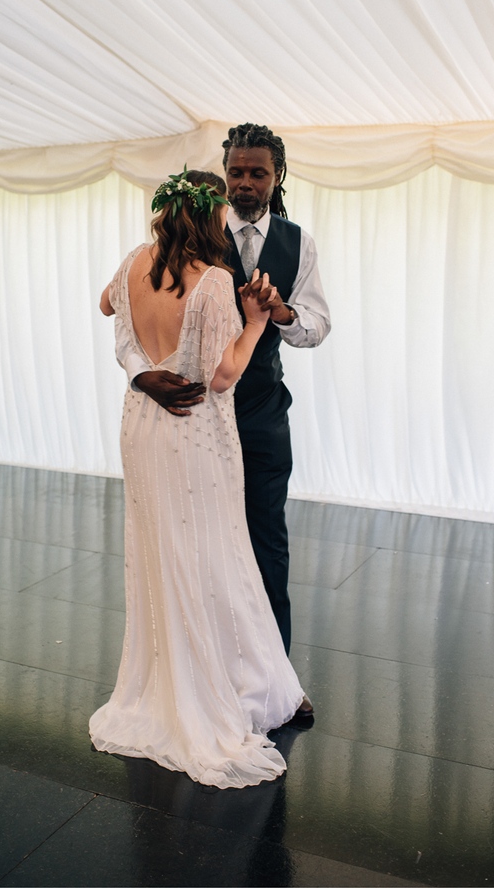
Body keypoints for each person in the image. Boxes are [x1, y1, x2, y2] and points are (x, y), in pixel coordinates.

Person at [90, 167, 311, 790]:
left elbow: (107, 304)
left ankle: (164, 682)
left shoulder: (134, 260)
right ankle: (225, 682)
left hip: (142, 428)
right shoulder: (215, 282)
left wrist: (141, 365)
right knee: (214, 554)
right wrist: (256, 320)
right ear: (211, 214)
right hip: (196, 435)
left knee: (159, 552)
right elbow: (222, 376)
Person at [119, 125, 331, 653]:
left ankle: (276, 671)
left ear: (277, 175)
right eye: (235, 171)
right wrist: (139, 374)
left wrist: (278, 312)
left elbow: (317, 327)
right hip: (196, 418)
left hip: (260, 414)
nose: (243, 183)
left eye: (257, 173)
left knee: (265, 543)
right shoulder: (193, 236)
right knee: (199, 547)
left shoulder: (298, 241)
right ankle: (212, 669)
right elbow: (126, 311)